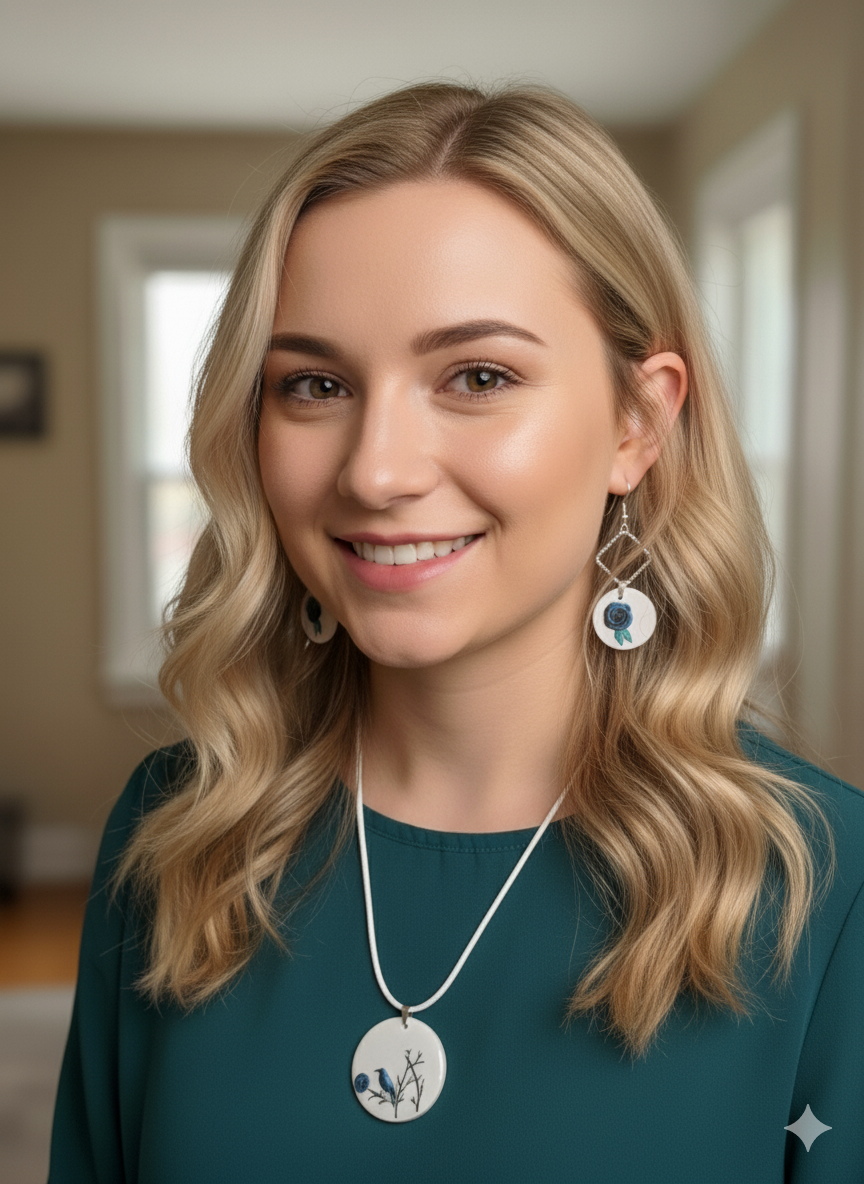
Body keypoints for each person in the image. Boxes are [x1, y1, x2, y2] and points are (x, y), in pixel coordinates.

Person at [49, 82, 863, 1182]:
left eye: (478, 376)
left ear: (639, 422)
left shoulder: (827, 888)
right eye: (315, 384)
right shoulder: (173, 834)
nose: (376, 470)